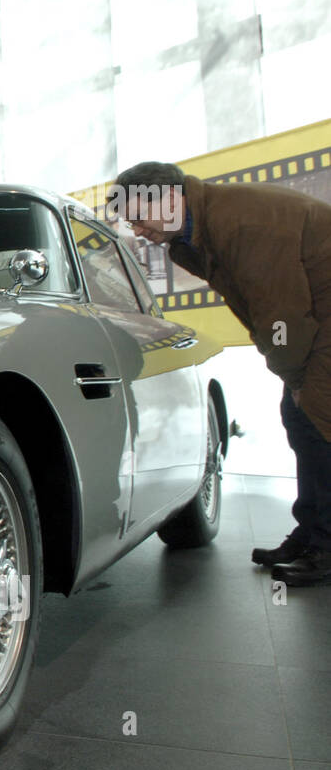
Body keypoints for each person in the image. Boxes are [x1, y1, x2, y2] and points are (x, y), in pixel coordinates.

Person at [109, 160, 331, 586]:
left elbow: (281, 313)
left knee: (320, 423)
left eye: (138, 217)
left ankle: (326, 547)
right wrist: (292, 374)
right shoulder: (197, 233)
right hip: (310, 323)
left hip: (319, 321)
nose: (135, 230)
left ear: (170, 198)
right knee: (302, 424)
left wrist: (294, 373)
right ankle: (312, 534)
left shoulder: (240, 223)